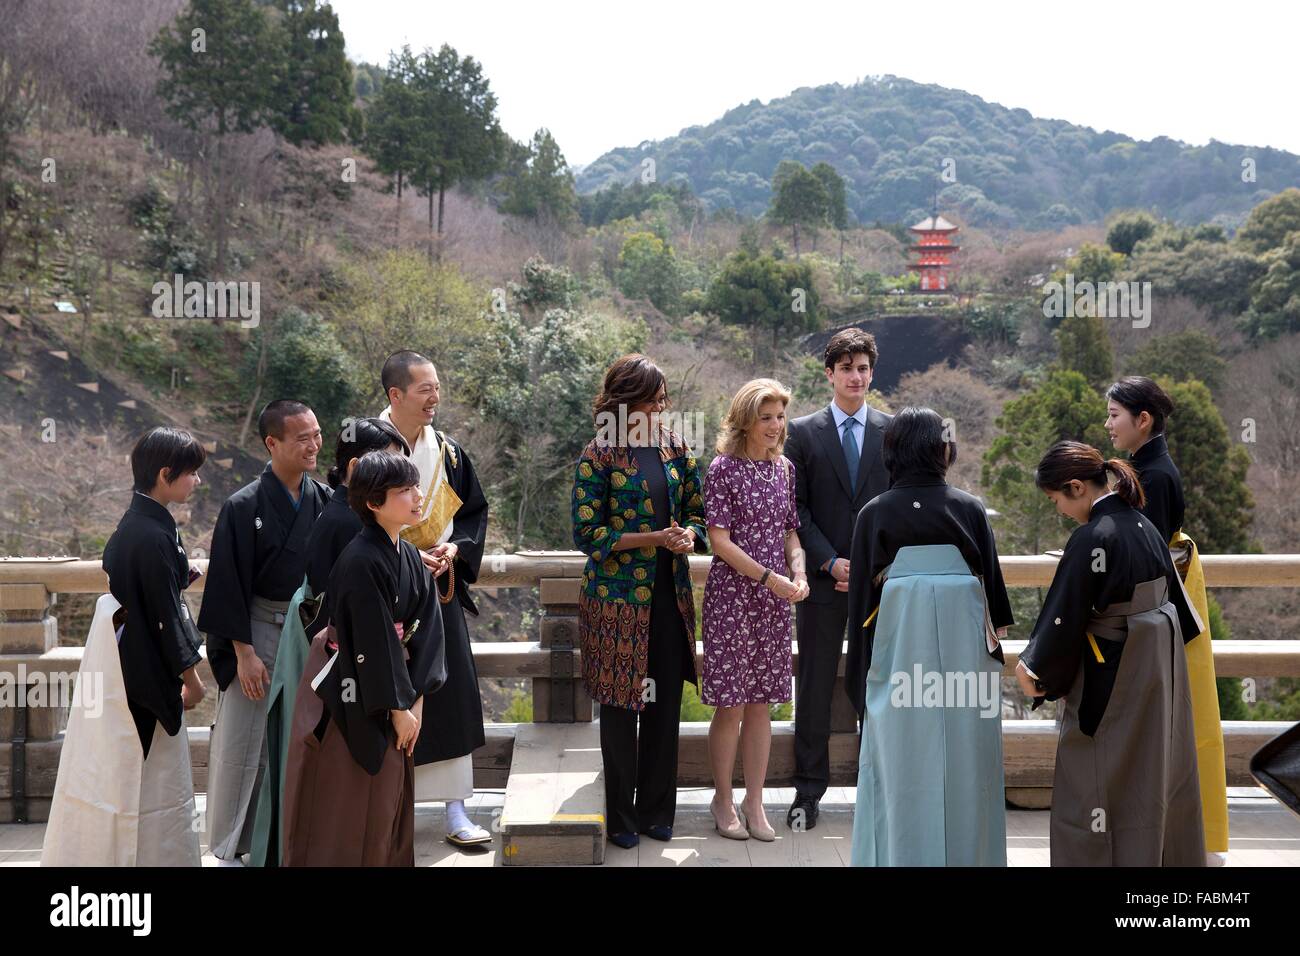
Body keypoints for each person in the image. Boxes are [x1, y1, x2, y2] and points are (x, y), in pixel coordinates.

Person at [1016, 441, 1206, 866]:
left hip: (1111, 676)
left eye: (1056, 501)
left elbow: (1064, 615)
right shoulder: (1143, 524)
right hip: (1156, 671)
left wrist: (1035, 670)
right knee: (1150, 775)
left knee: (1093, 777)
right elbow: (1177, 607)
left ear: (1076, 487)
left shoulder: (1091, 538)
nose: (1060, 511)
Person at [844, 408, 1013, 866]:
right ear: (945, 449)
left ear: (892, 451)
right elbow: (995, 608)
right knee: (965, 767)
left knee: (901, 769)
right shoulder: (970, 510)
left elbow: (859, 609)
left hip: (898, 665)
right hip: (965, 672)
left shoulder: (874, 514)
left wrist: (860, 687)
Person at [43, 427, 207, 866]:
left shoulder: (139, 523)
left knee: (122, 772)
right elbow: (166, 615)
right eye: (191, 474)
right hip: (143, 668)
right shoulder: (152, 534)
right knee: (149, 775)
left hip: (124, 663)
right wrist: (193, 679)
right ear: (166, 474)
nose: (197, 482)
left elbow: (144, 586)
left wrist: (175, 574)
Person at [249, 417, 409, 866]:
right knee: (326, 765)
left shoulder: (349, 514)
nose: (403, 478)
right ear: (359, 469)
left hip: (342, 651)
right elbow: (353, 611)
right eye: (390, 465)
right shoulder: (345, 524)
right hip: (334, 654)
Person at [281, 451, 447, 866]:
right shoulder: (359, 559)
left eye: (415, 486)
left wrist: (416, 701)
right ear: (373, 503)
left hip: (396, 687)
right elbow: (371, 641)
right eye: (404, 490)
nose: (417, 496)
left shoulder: (407, 555)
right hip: (350, 687)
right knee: (344, 800)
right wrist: (395, 707)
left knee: (388, 800)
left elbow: (427, 628)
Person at [572, 354, 708, 848]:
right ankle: (621, 818)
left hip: (669, 599)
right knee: (619, 707)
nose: (659, 408)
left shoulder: (675, 446)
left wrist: (689, 537)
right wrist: (652, 537)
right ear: (623, 401)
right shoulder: (600, 453)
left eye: (662, 399)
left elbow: (696, 512)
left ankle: (656, 812)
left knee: (663, 704)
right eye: (650, 400)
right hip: (615, 603)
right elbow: (587, 533)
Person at [199, 399, 329, 866]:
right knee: (242, 741)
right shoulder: (243, 505)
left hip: (306, 632)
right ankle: (228, 849)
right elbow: (227, 583)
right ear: (272, 443)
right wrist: (243, 653)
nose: (314, 444)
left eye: (317, 434)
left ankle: (285, 841)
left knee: (297, 737)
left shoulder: (324, 500)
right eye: (302, 438)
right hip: (253, 630)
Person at [1106, 375, 1228, 864]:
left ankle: (1175, 838)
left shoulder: (1153, 476)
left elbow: (1143, 555)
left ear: (1143, 420)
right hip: (1172, 593)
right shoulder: (1147, 466)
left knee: (1174, 719)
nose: (1109, 424)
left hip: (1159, 604)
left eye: (1115, 415)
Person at [379, 350, 491, 847]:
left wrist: (455, 548)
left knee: (448, 695)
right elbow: (347, 517)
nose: (435, 398)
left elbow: (474, 514)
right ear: (395, 395)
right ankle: (384, 808)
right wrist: (400, 552)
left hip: (438, 592)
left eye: (437, 388)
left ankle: (454, 808)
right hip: (382, 592)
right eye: (425, 389)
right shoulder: (366, 446)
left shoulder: (447, 452)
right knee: (385, 694)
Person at [783, 328, 892, 829]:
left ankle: (879, 789)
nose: (856, 376)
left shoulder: (893, 432)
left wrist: (869, 565)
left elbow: (897, 508)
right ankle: (808, 791)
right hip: (822, 586)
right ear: (829, 374)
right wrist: (828, 561)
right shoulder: (802, 433)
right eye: (846, 368)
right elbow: (796, 508)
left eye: (863, 368)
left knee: (879, 685)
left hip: (878, 587)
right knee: (815, 686)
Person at [702, 379, 809, 842]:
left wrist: (799, 574)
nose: (775, 425)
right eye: (765, 417)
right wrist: (770, 578)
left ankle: (755, 800)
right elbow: (719, 541)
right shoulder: (722, 469)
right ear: (745, 420)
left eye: (780, 416)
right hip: (731, 598)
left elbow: (791, 533)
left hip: (775, 600)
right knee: (732, 705)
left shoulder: (784, 469)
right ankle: (722, 800)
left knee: (763, 703)